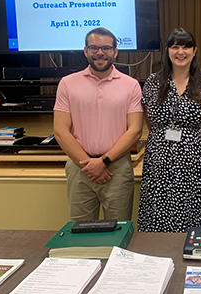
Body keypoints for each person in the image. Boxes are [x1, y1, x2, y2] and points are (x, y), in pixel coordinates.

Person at [137, 28, 201, 232]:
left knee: (198, 213)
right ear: (167, 50)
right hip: (160, 164)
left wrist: (199, 147)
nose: (181, 52)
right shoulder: (153, 82)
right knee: (160, 212)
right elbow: (151, 122)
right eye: (175, 46)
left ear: (194, 51)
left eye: (186, 46)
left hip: (198, 164)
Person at [54, 27, 143, 221]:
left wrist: (103, 162)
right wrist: (89, 165)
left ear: (115, 52)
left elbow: (135, 130)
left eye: (106, 48)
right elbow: (60, 131)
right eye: (94, 47)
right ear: (85, 51)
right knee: (80, 234)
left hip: (117, 169)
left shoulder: (131, 85)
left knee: (118, 233)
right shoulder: (67, 84)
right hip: (80, 169)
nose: (100, 52)